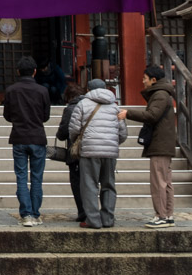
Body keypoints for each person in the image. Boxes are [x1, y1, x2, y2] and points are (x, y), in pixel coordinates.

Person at [65, 78, 126, 229]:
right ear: (105, 88)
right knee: (108, 185)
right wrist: (112, 143)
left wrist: (78, 142)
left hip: (90, 150)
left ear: (88, 90)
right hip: (110, 152)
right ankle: (107, 219)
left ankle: (93, 220)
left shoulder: (82, 104)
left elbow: (73, 129)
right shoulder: (114, 106)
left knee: (89, 185)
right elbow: (123, 133)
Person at [124, 64, 178, 228]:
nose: (143, 81)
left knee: (158, 182)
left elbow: (152, 115)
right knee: (165, 181)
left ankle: (161, 215)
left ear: (153, 80)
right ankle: (167, 215)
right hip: (163, 143)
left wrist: (128, 113)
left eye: (145, 78)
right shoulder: (163, 93)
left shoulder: (160, 94)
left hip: (160, 143)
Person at [1, 55, 52, 226]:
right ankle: (36, 213)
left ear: (18, 71)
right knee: (37, 177)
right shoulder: (42, 91)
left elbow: (7, 115)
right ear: (34, 72)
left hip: (19, 137)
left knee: (21, 177)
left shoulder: (11, 90)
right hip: (37, 137)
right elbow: (46, 116)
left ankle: (26, 214)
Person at [55, 82, 89, 226]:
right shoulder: (91, 106)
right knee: (90, 182)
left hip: (76, 152)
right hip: (92, 150)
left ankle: (83, 212)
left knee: (77, 182)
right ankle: (95, 210)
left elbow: (63, 133)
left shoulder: (70, 109)